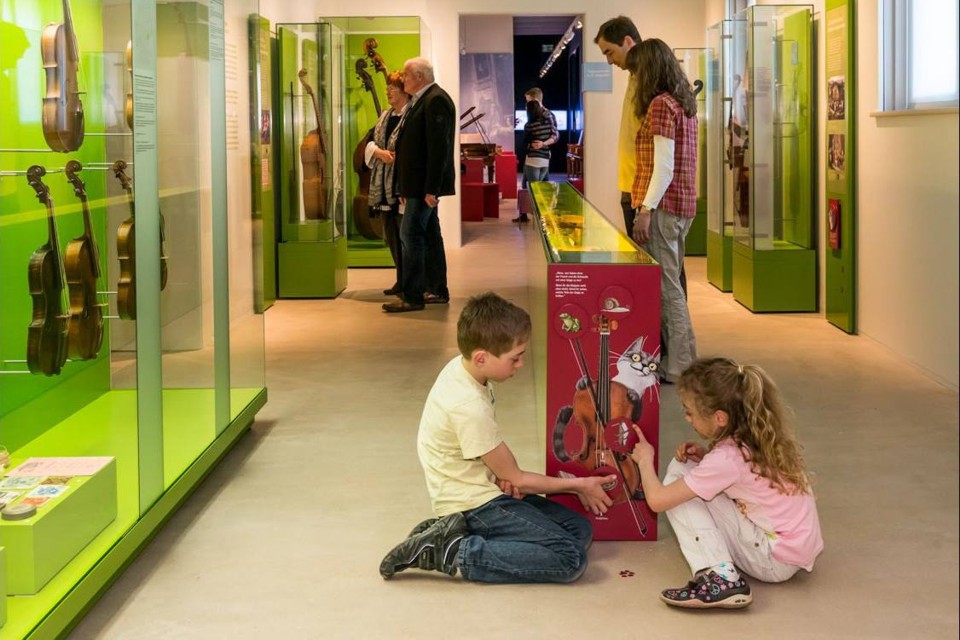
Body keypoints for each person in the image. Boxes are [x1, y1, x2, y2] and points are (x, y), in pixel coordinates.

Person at [379, 292, 616, 582]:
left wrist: (504, 477)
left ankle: (449, 532)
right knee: (570, 558)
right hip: (473, 503)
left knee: (579, 530)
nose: (520, 364)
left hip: (480, 487)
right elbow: (516, 478)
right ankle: (455, 550)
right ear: (481, 357)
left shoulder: (463, 369)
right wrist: (579, 485)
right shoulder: (468, 406)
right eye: (515, 358)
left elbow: (502, 469)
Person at [629, 357, 823, 609]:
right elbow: (743, 478)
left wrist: (645, 460)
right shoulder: (754, 437)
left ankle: (719, 577)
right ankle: (721, 572)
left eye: (690, 412)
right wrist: (705, 459)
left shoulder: (727, 459)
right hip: (793, 550)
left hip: (775, 560)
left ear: (720, 418)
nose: (687, 418)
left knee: (677, 474)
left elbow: (657, 501)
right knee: (688, 469)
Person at [627, 38, 699, 383]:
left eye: (636, 72)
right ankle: (683, 361)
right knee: (672, 285)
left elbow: (664, 167)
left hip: (663, 209)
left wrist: (645, 209)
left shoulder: (660, 106)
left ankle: (681, 366)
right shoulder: (682, 103)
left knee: (668, 289)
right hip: (680, 207)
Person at [383, 57, 456, 313]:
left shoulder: (435, 100)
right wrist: (405, 187)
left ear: (420, 77)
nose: (402, 79)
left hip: (424, 187)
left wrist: (431, 189)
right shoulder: (423, 100)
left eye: (406, 75)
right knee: (429, 235)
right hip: (417, 186)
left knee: (409, 234)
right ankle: (436, 290)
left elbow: (439, 150)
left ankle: (413, 295)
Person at [594, 15, 642, 233]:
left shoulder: (649, 77)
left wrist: (648, 206)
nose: (609, 61)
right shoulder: (635, 75)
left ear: (628, 41)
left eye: (609, 52)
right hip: (631, 184)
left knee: (657, 264)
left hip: (641, 188)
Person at [365, 70, 409, 297]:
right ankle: (400, 279)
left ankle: (410, 282)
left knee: (405, 237)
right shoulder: (384, 116)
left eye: (393, 88)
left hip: (400, 186)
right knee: (391, 234)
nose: (389, 91)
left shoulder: (410, 116)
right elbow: (370, 142)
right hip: (383, 186)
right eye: (388, 88)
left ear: (404, 91)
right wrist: (380, 153)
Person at [514, 88, 558, 223]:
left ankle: (541, 217)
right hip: (538, 157)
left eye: (528, 101)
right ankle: (524, 215)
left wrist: (543, 144)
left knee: (536, 187)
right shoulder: (535, 117)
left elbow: (555, 136)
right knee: (527, 184)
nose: (526, 104)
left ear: (535, 100)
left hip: (537, 157)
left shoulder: (546, 115)